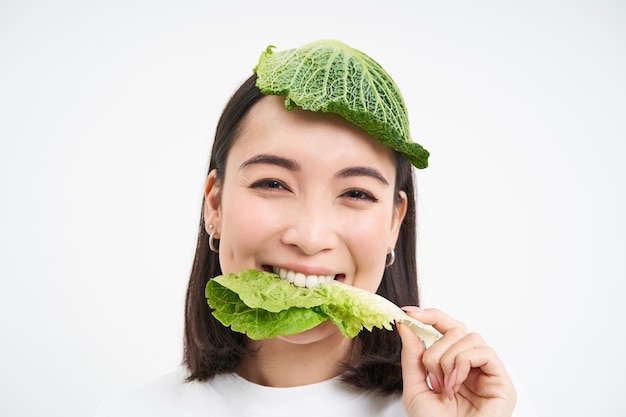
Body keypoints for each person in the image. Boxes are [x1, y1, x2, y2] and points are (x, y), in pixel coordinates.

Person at [97, 40, 519, 417]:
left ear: (394, 222)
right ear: (215, 204)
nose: (311, 236)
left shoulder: (478, 410)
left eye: (356, 193)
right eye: (273, 184)